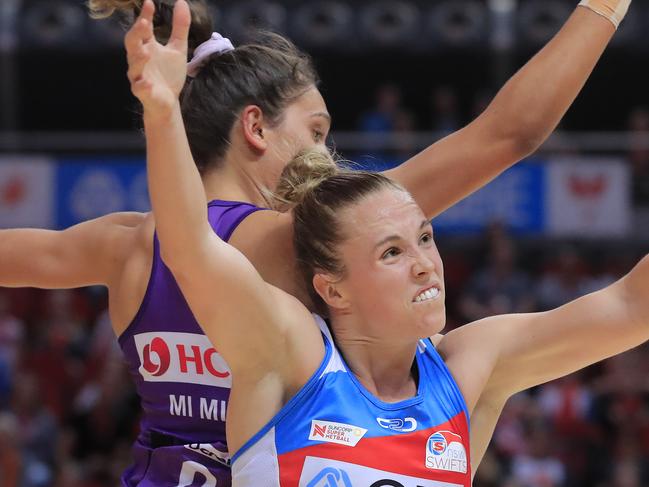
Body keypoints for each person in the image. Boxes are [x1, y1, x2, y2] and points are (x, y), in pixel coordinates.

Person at [0, 0, 632, 484]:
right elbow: (509, 135)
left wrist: (160, 112)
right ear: (255, 128)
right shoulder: (314, 235)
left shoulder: (123, 244)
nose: (327, 157)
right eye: (317, 130)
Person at [148, 141, 649, 485]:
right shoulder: (291, 353)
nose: (425, 265)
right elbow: (189, 249)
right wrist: (161, 104)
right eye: (392, 253)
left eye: (425, 239)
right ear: (333, 289)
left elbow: (630, 306)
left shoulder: (468, 367)